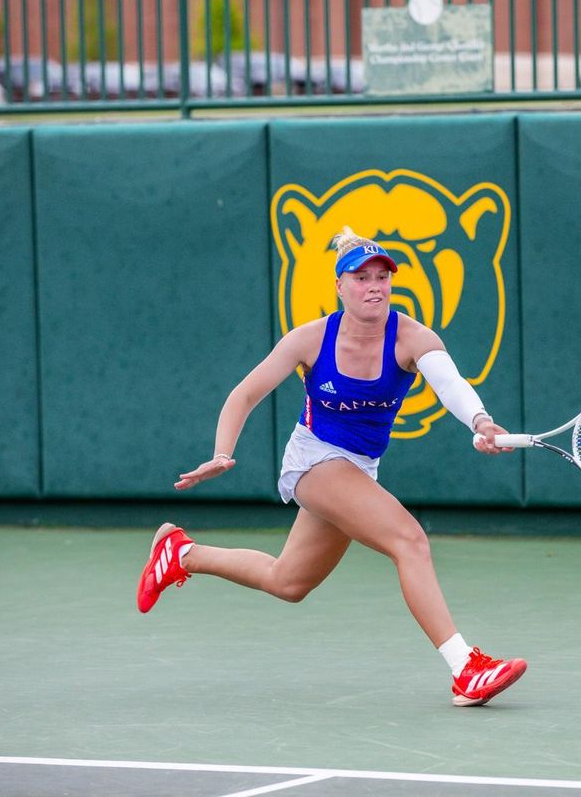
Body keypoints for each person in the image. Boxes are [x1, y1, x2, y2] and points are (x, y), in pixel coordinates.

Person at [136, 226, 527, 707]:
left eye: (382, 276)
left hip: (359, 468)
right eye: (361, 278)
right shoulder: (310, 339)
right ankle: (464, 667)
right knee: (410, 541)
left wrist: (481, 420)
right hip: (314, 461)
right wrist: (222, 454)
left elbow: (450, 385)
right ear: (340, 287)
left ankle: (180, 554)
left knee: (289, 582)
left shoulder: (411, 337)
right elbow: (246, 394)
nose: (374, 286)